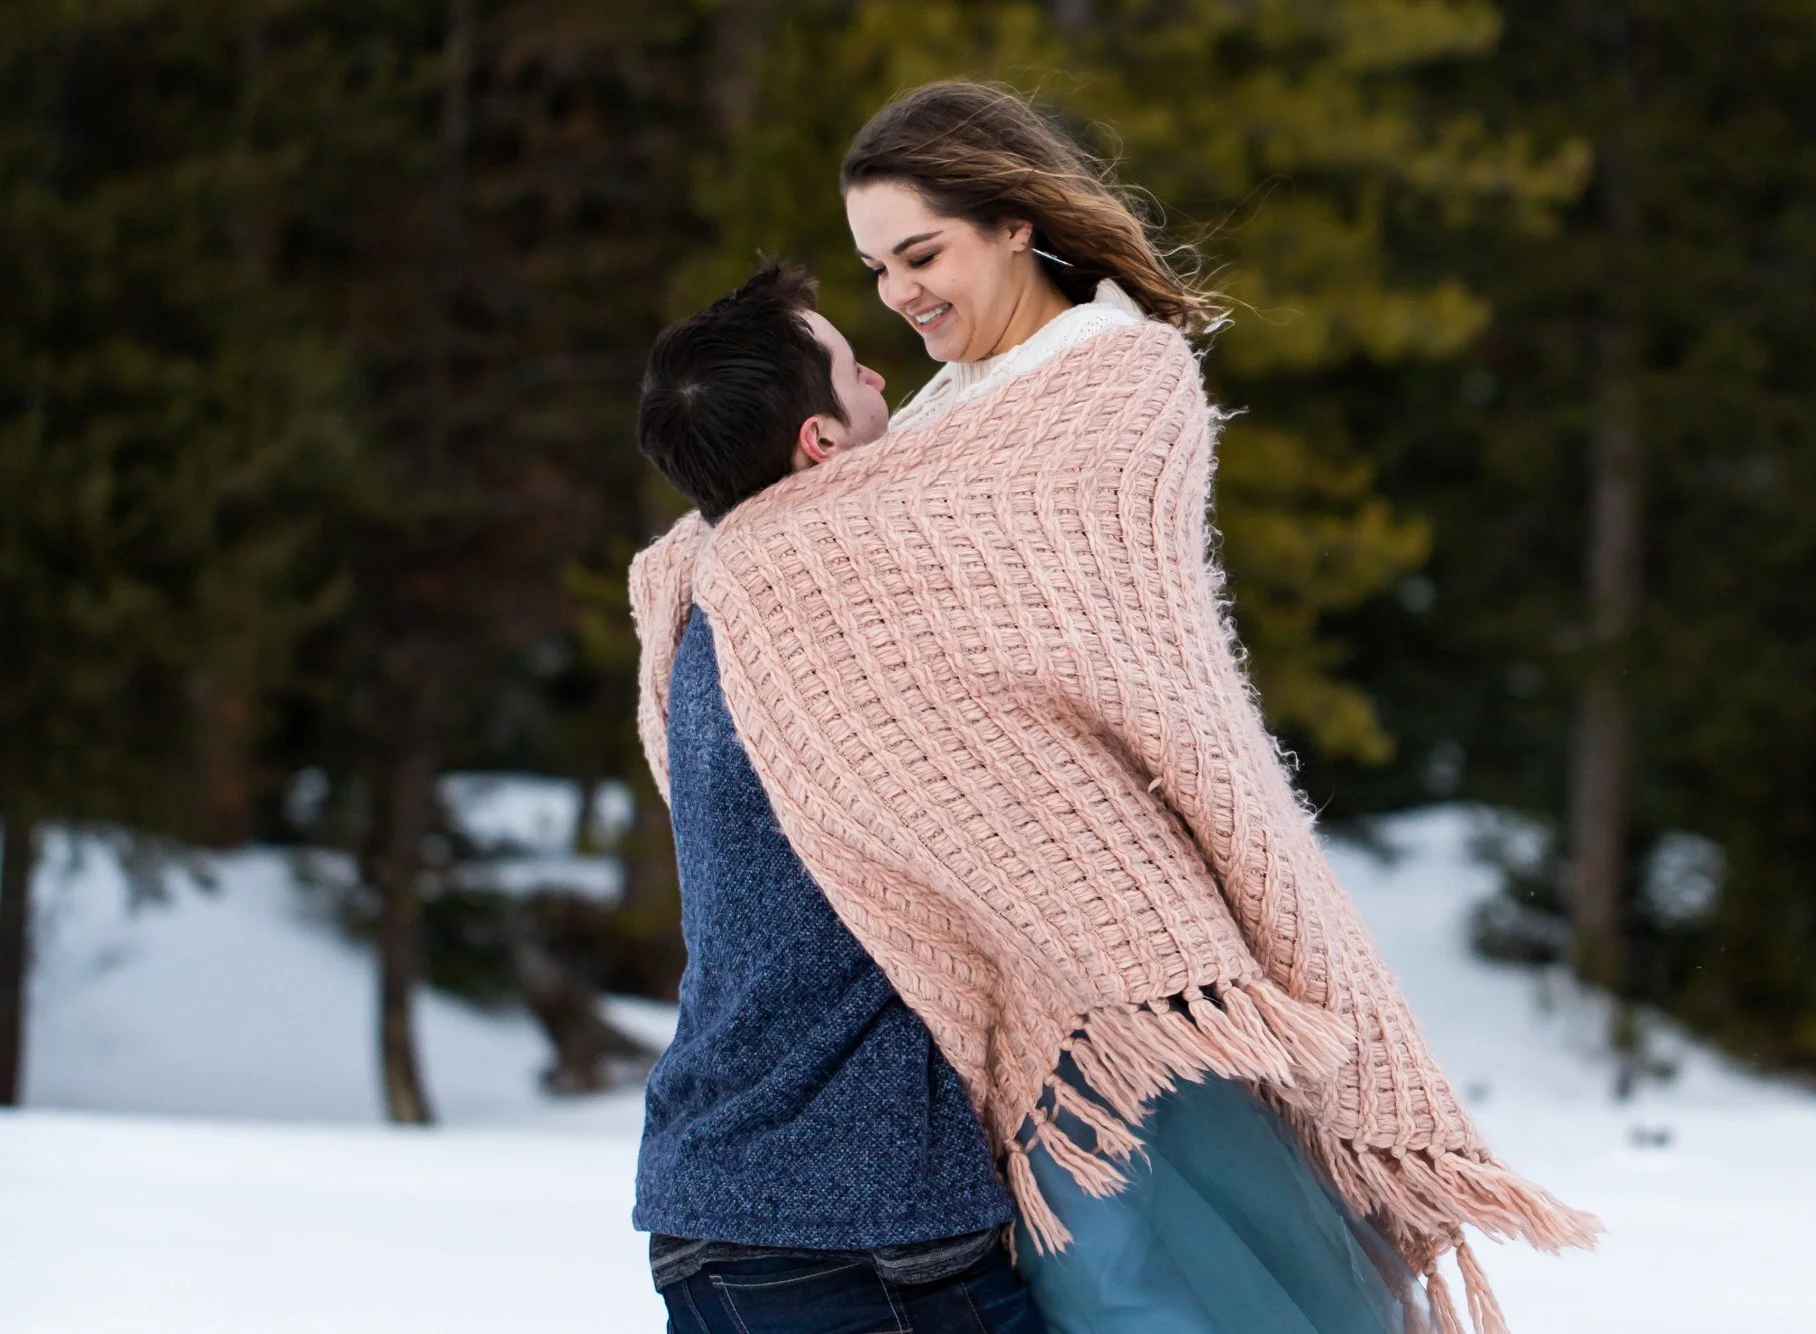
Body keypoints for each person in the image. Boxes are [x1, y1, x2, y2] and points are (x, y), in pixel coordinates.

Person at [630, 81, 1599, 1334]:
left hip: (932, 1068)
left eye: (920, 255)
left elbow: (1127, 673)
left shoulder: (1097, 387)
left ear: (1015, 223)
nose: (899, 302)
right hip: (888, 1171)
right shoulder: (880, 474)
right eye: (876, 270)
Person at [627, 262, 1048, 1334]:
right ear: (820, 442)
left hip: (716, 1207)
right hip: (858, 1228)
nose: (883, 378)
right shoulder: (838, 622)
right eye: (857, 371)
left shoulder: (718, 607)